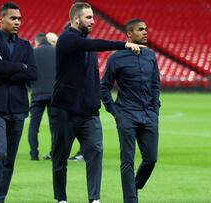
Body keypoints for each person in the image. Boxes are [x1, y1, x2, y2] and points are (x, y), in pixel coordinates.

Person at [50, 2, 145, 203]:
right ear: (76, 19)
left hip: (88, 113)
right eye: (88, 17)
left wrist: (96, 103)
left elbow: (92, 74)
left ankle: (94, 199)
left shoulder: (87, 44)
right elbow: (91, 45)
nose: (93, 21)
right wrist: (124, 44)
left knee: (95, 153)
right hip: (65, 110)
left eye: (93, 17)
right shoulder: (68, 39)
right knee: (60, 159)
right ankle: (61, 199)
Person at [0, 2, 37, 202]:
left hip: (19, 108)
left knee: (10, 159)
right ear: (1, 19)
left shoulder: (25, 45)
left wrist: (10, 68)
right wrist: (20, 67)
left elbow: (33, 73)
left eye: (19, 19)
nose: (17, 22)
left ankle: (0, 198)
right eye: (13, 18)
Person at [100, 18, 160, 203]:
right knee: (127, 160)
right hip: (126, 115)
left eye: (146, 29)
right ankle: (130, 200)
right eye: (140, 29)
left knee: (151, 159)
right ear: (129, 34)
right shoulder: (116, 57)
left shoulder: (150, 56)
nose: (145, 32)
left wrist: (155, 109)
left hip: (148, 115)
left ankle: (134, 186)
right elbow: (104, 87)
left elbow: (155, 84)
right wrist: (115, 112)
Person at [28, 32, 56, 161]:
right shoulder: (56, 52)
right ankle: (54, 152)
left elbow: (27, 72)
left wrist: (31, 87)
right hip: (54, 94)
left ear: (36, 42)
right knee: (54, 126)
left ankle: (34, 154)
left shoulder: (32, 53)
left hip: (37, 94)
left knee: (34, 126)